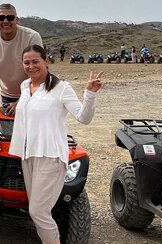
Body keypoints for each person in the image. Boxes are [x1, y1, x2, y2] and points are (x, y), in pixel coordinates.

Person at [10, 45, 103, 244]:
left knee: (38, 211)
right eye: (27, 62)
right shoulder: (25, 86)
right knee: (36, 210)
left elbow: (83, 118)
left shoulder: (62, 88)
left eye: (36, 61)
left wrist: (90, 94)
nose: (31, 66)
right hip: (28, 156)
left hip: (50, 156)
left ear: (46, 61)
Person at [0, 3, 43, 116]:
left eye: (10, 17)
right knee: (9, 131)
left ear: (17, 20)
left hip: (33, 93)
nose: (5, 21)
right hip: (7, 96)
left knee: (32, 130)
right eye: (1, 18)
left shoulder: (31, 37)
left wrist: (21, 101)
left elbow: (40, 71)